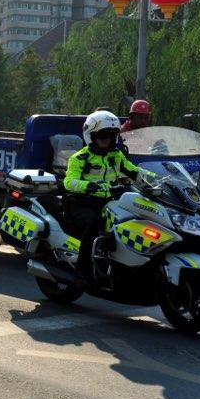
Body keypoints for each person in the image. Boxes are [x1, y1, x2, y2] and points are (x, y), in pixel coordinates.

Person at [64, 110, 147, 282]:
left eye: (110, 136)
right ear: (91, 136)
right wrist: (88, 186)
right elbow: (69, 182)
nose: (106, 140)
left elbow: (134, 171)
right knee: (94, 224)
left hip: (110, 201)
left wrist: (156, 179)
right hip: (83, 202)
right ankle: (82, 271)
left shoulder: (116, 155)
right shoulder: (80, 158)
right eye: (102, 136)